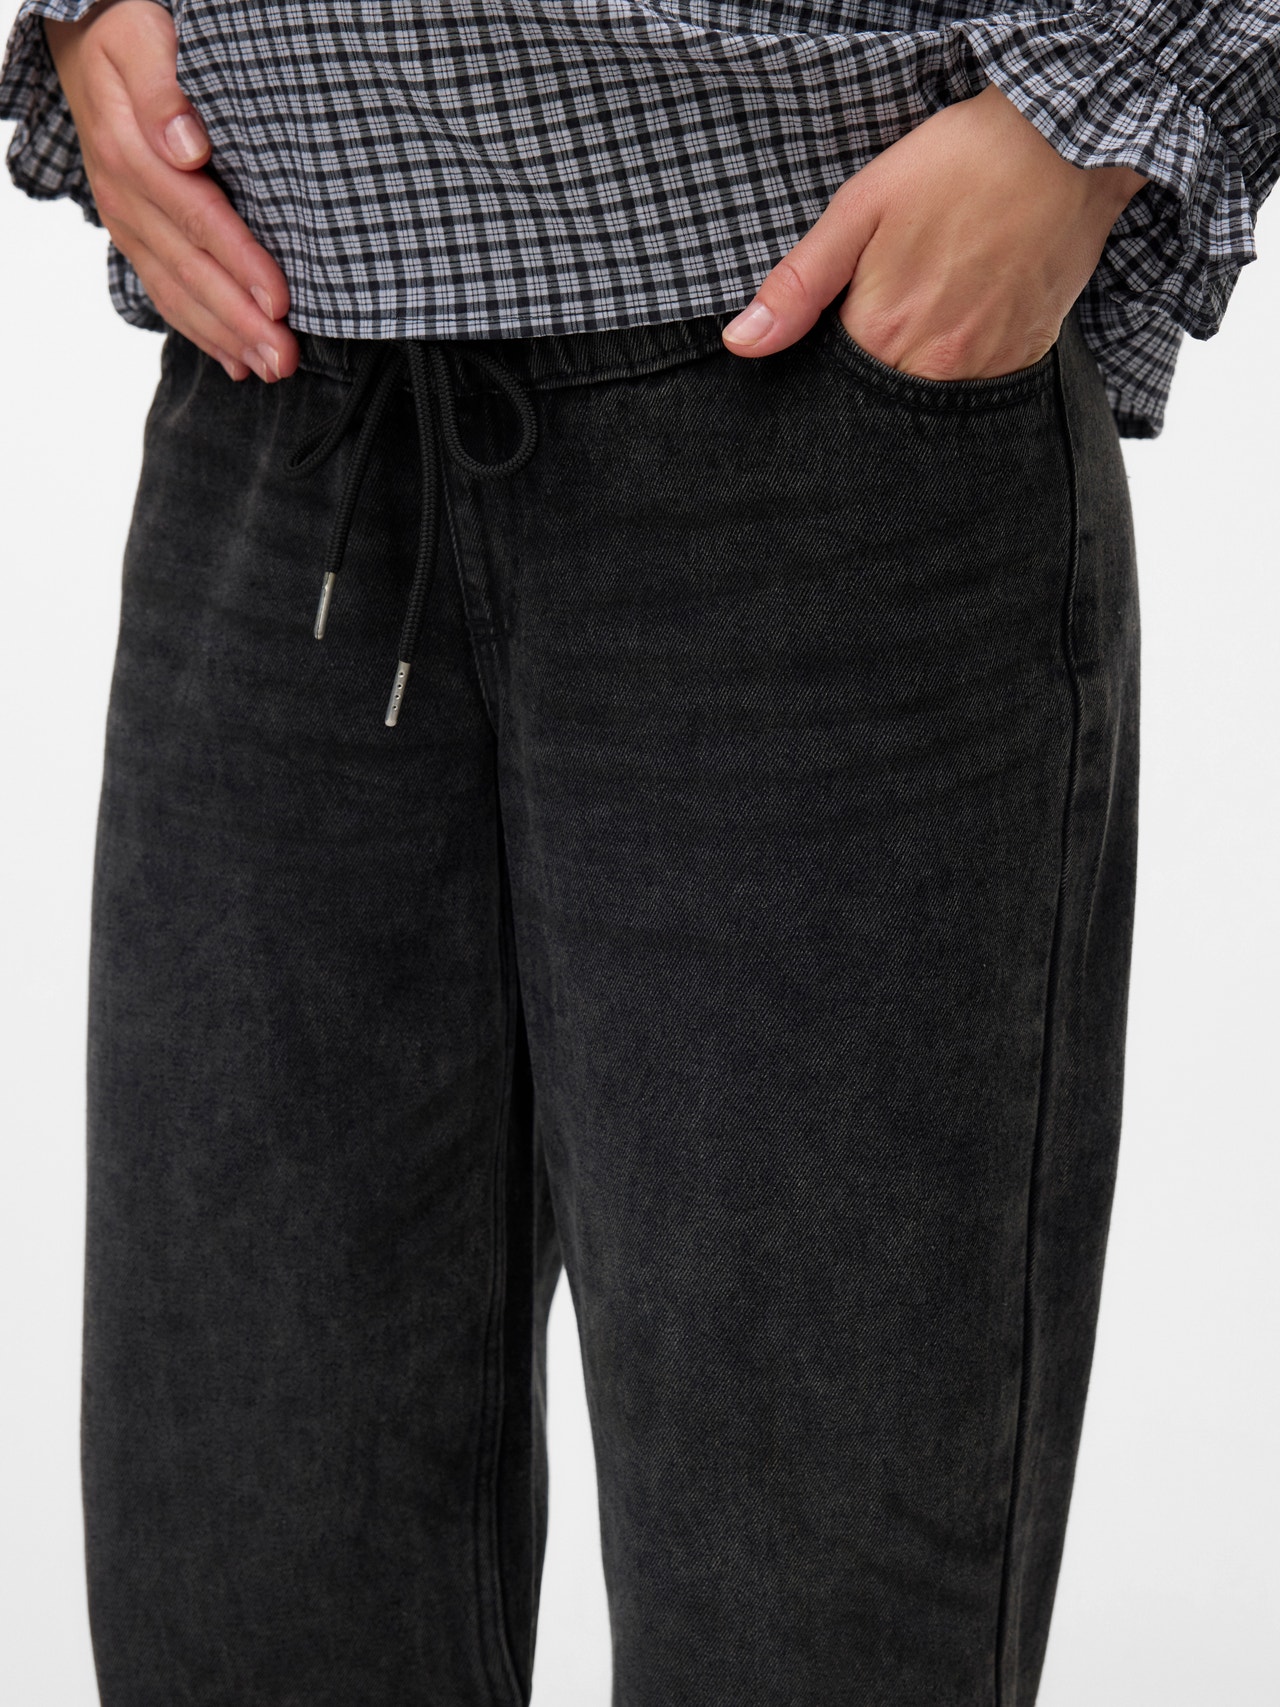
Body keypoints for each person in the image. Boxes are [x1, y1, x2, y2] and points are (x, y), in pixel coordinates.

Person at [1, 2, 1275, 1703]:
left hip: (805, 371)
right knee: (240, 1595)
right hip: (285, 387)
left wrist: (1092, 116)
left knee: (807, 1623)